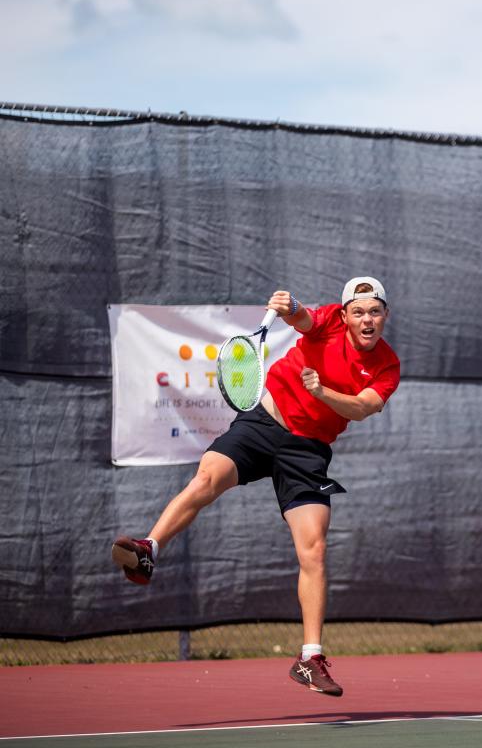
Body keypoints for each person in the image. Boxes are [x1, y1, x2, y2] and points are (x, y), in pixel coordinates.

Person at [111, 277, 400, 696]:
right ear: (345, 315)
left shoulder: (386, 365)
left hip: (308, 451)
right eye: (358, 311)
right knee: (209, 476)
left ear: (385, 315)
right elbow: (301, 318)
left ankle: (309, 659)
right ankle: (148, 551)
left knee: (314, 549)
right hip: (263, 425)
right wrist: (290, 304)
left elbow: (362, 408)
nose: (366, 319)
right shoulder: (328, 321)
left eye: (374, 311)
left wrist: (324, 393)